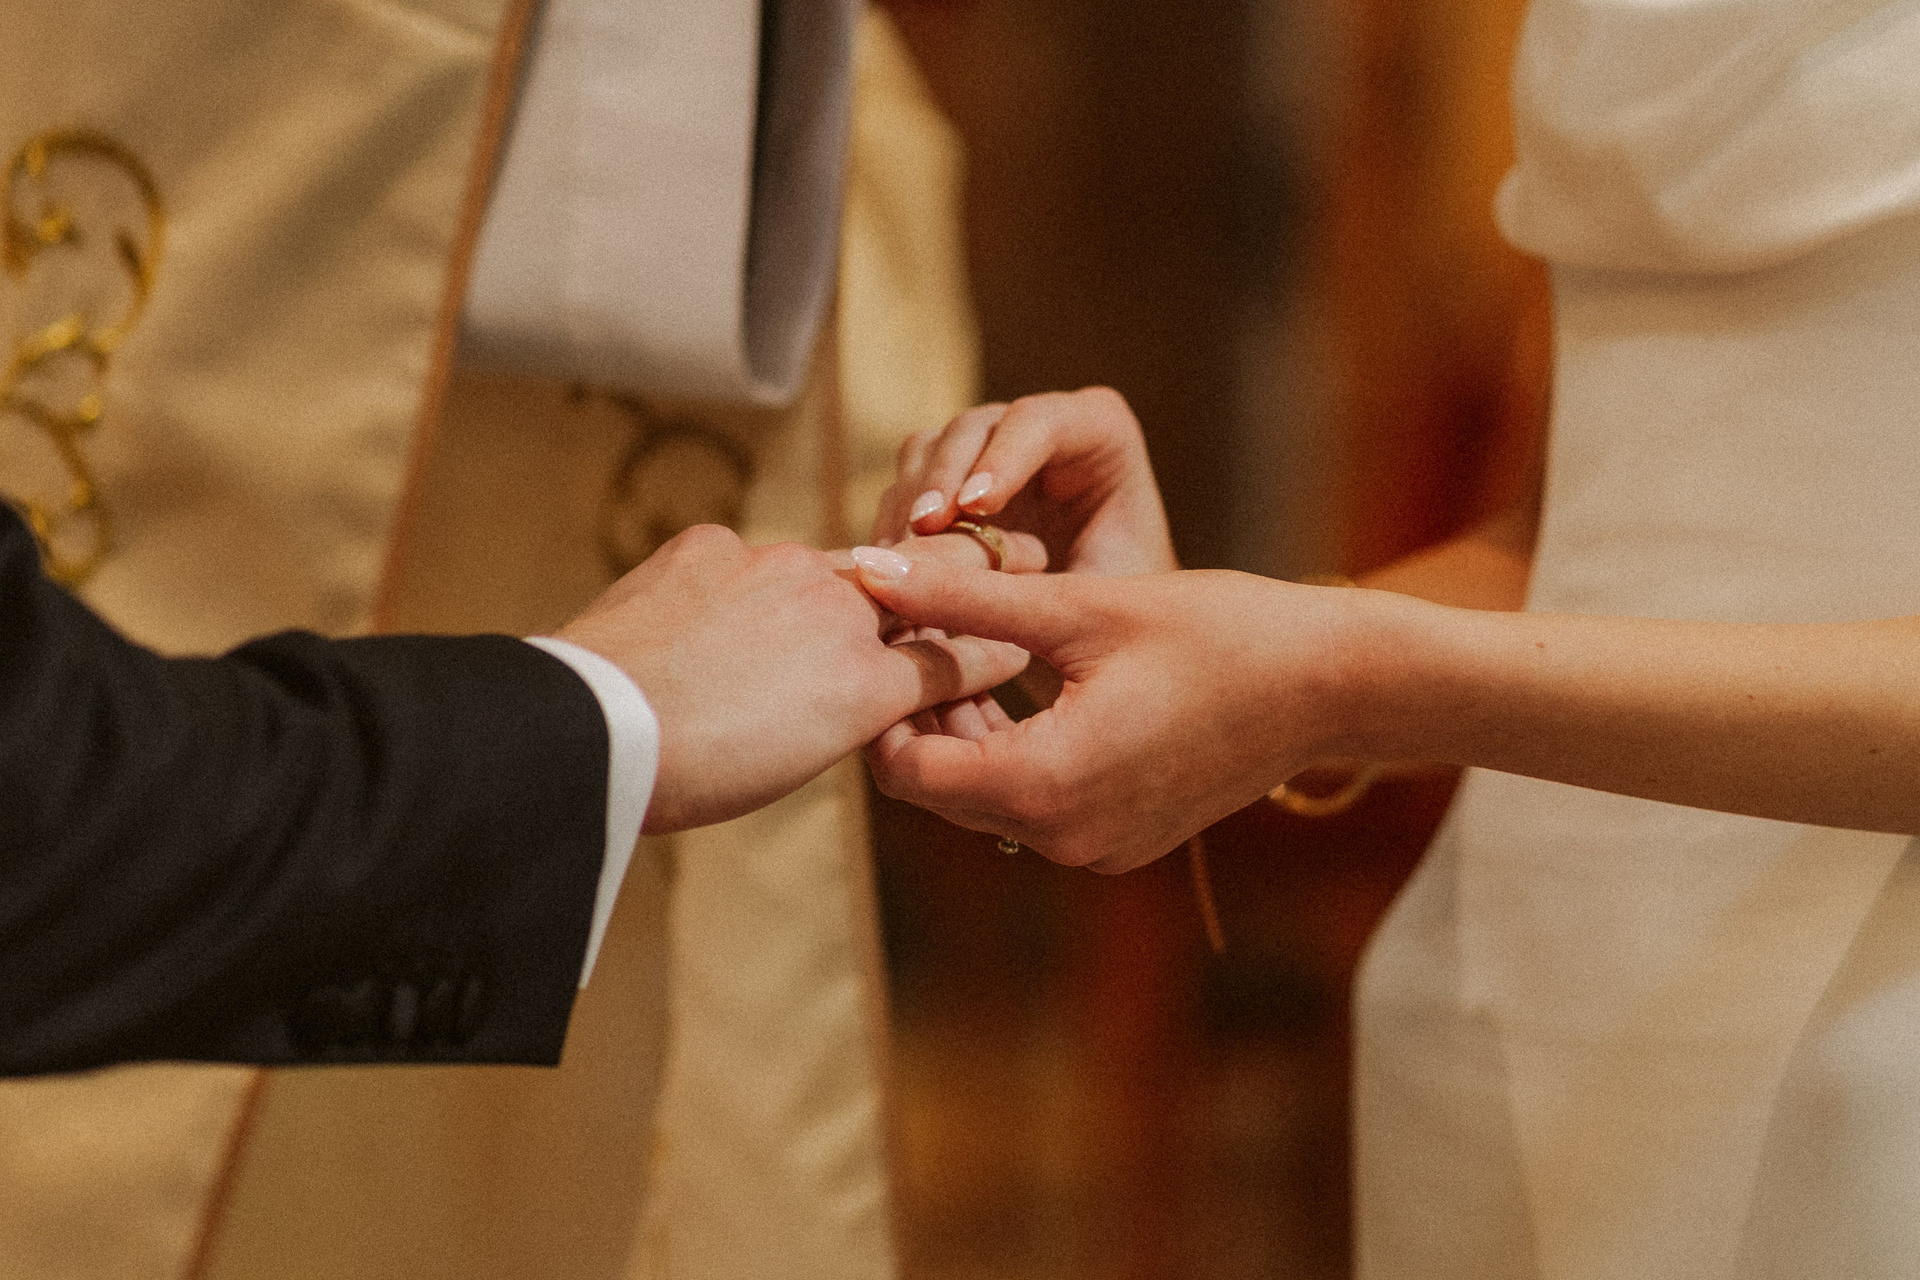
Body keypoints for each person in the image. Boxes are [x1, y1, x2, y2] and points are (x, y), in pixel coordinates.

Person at [855, 0, 1920, 1271]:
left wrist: (1338, 676)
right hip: (1527, 981)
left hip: (1869, 1026)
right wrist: (1195, 632)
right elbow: (1580, 544)